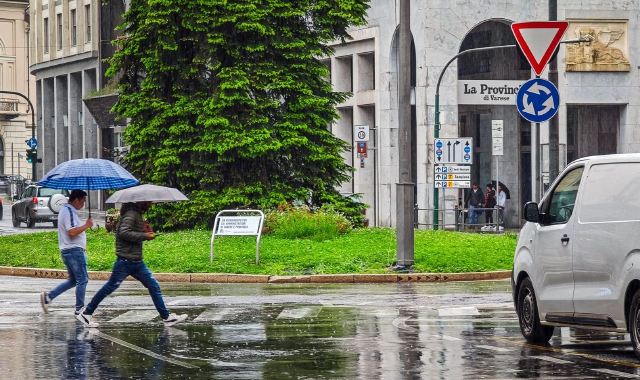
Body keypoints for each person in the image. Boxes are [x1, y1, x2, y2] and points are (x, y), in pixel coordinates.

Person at [77, 201, 188, 328]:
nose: (151, 204)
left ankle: (166, 317)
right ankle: (87, 312)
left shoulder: (135, 214)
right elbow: (124, 232)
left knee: (153, 285)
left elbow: (130, 232)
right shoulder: (131, 214)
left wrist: (144, 230)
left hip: (135, 261)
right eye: (149, 202)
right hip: (126, 260)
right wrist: (144, 235)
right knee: (109, 287)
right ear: (141, 201)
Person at [40, 190, 94, 315]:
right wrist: (86, 225)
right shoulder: (69, 211)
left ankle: (48, 297)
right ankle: (79, 309)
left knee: (73, 280)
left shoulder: (67, 211)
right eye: (82, 201)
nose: (83, 205)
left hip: (70, 250)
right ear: (76, 200)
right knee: (83, 280)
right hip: (73, 251)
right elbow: (72, 232)